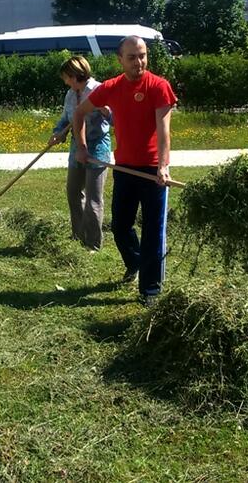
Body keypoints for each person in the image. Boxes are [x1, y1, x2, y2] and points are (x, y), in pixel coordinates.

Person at [72, 37, 178, 306]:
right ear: (120, 60)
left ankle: (150, 290)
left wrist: (163, 166)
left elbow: (164, 131)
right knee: (120, 227)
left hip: (154, 170)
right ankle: (136, 262)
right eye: (132, 57)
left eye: (142, 55)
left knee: (153, 230)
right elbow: (79, 113)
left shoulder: (159, 87)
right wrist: (82, 148)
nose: (138, 62)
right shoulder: (111, 88)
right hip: (124, 168)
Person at [48, 56, 112, 251]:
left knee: (93, 198)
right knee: (73, 192)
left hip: (97, 148)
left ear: (73, 75)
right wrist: (58, 132)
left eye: (66, 77)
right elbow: (65, 119)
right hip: (76, 149)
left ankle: (93, 244)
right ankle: (78, 236)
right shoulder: (70, 94)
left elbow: (115, 118)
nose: (65, 81)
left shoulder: (98, 90)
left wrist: (107, 112)